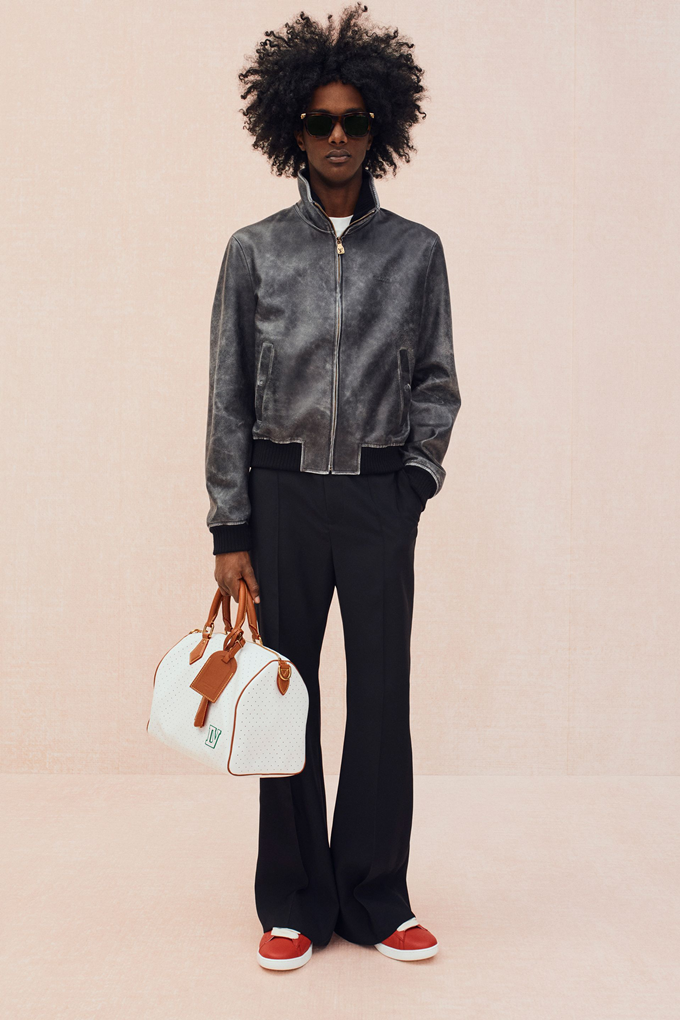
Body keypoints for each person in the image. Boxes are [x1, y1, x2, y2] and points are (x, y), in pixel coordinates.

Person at [205, 3, 461, 970]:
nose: (339, 136)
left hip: (378, 499)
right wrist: (230, 527)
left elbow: (437, 381)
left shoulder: (416, 251)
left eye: (354, 120)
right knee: (286, 695)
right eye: (321, 121)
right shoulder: (255, 250)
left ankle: (376, 896)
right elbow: (228, 393)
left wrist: (415, 481)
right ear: (295, 131)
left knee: (383, 696)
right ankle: (293, 900)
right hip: (280, 498)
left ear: (378, 128)